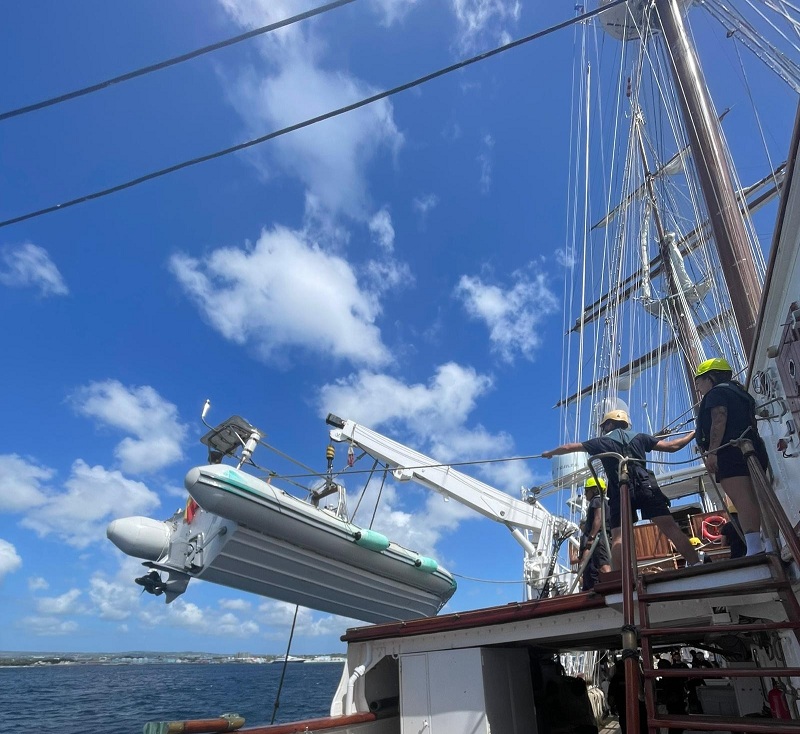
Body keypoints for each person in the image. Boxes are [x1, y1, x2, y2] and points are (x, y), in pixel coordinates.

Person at [543, 409, 700, 569]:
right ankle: (696, 563)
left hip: (620, 489)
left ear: (610, 424)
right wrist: (694, 433)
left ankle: (619, 581)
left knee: (618, 537)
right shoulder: (640, 438)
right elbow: (673, 446)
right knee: (670, 527)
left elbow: (570, 447)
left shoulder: (600, 442)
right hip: (645, 485)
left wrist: (551, 453)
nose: (603, 429)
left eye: (604, 426)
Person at [694, 357, 769, 556]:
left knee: (742, 498)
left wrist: (712, 452)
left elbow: (719, 419)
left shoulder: (716, 393)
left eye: (699, 381)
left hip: (730, 450)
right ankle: (771, 543)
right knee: (761, 499)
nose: (698, 387)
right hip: (753, 447)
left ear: (710, 378)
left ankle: (754, 548)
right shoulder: (741, 394)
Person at [579, 476, 612, 590]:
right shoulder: (606, 502)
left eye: (586, 491)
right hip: (604, 537)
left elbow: (598, 518)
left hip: (599, 538)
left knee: (603, 565)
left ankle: (610, 588)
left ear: (594, 490)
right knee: (598, 564)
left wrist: (591, 537)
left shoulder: (596, 500)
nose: (585, 494)